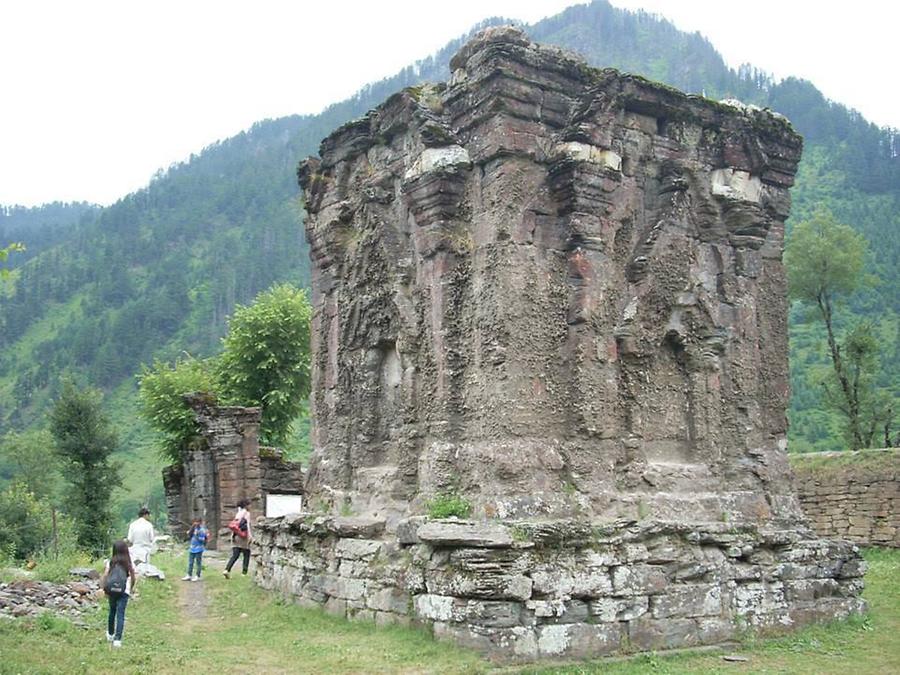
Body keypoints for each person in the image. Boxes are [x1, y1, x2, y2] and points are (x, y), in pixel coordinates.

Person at [101, 540, 137, 648]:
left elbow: (105, 576)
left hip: (112, 590)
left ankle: (110, 634)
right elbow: (133, 577)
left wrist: (104, 588)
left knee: (112, 611)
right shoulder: (129, 563)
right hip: (124, 591)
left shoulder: (110, 562)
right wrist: (130, 588)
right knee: (120, 614)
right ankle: (118, 639)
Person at [223, 498, 252, 578]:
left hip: (235, 535)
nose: (250, 506)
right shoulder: (246, 513)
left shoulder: (238, 513)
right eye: (249, 504)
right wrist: (250, 537)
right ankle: (244, 573)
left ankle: (227, 569)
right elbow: (248, 526)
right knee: (246, 554)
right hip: (243, 537)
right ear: (246, 505)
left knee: (235, 555)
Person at [182, 517, 209, 582]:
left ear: (200, 522)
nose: (196, 523)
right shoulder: (194, 528)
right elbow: (190, 536)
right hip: (192, 548)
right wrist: (189, 533)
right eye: (195, 522)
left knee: (198, 562)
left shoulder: (202, 530)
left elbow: (202, 540)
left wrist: (197, 535)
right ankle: (189, 575)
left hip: (199, 548)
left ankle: (198, 575)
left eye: (197, 522)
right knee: (190, 562)